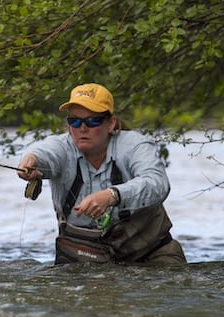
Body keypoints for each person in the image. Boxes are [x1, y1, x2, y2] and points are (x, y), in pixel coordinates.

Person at [17, 83, 186, 265]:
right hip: (83, 259)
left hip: (151, 253)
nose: (82, 128)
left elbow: (157, 183)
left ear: (110, 123)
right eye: (74, 121)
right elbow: (45, 152)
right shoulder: (62, 148)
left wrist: (113, 195)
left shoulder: (135, 145)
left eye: (92, 121)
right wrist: (32, 159)